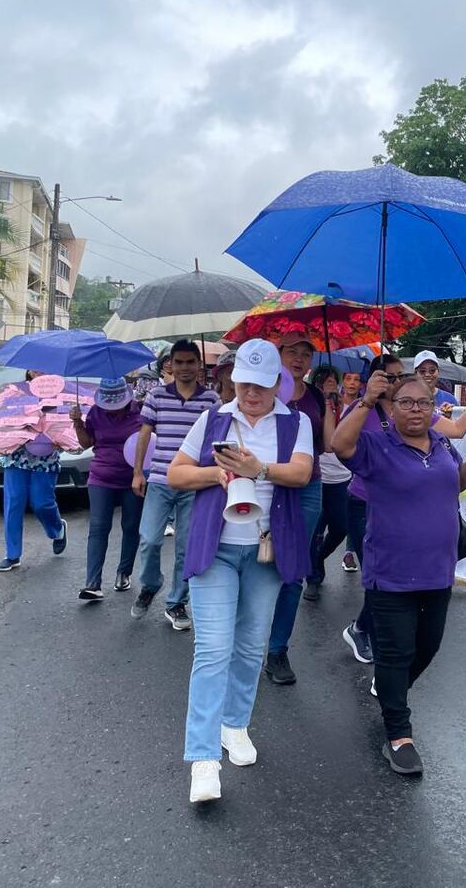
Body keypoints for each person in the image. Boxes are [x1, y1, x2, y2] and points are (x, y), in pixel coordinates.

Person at [167, 339, 314, 803]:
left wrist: (259, 468)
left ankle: (235, 726)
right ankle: (203, 759)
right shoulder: (214, 418)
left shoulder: (297, 421)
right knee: (213, 650)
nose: (251, 393)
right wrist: (217, 474)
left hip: (267, 550)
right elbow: (175, 473)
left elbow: (302, 474)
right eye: (243, 382)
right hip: (217, 549)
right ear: (233, 379)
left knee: (251, 648)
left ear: (277, 381)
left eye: (261, 383)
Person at [333, 371, 466, 775]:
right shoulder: (376, 446)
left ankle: (391, 692)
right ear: (392, 408)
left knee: (429, 646)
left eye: (423, 402)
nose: (415, 410)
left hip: (438, 571)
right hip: (390, 573)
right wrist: (367, 401)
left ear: (432, 406)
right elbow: (340, 445)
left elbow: (452, 485)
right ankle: (398, 734)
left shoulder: (442, 444)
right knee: (396, 651)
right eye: (405, 402)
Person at [339, 354, 466, 665]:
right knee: (382, 578)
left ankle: (372, 637)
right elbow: (339, 444)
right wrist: (367, 400)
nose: (397, 381)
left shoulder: (416, 408)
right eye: (390, 376)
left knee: (403, 587)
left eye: (401, 375)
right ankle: (384, 657)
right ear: (375, 378)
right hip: (367, 504)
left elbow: (456, 429)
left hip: (412, 504)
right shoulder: (364, 409)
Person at [130, 340, 219, 630]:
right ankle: (151, 583)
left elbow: (217, 442)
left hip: (194, 483)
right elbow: (144, 435)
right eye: (178, 362)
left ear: (199, 365)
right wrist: (137, 473)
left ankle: (177, 602)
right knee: (150, 539)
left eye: (189, 362)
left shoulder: (212, 401)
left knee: (185, 546)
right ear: (170, 365)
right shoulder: (156, 396)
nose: (183, 368)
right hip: (158, 479)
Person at [263, 334, 327, 685]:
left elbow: (329, 445)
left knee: (293, 569)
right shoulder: (264, 390)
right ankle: (241, 642)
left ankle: (277, 650)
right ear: (279, 354)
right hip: (264, 483)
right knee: (256, 561)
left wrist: (341, 405)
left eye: (306, 354)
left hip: (307, 486)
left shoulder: (316, 396)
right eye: (293, 352)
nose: (299, 359)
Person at [70, 378, 143, 600]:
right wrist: (78, 423)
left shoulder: (141, 412)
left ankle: (124, 572)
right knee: (99, 527)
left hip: (133, 477)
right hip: (101, 476)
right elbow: (86, 443)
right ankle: (93, 582)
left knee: (131, 526)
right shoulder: (95, 412)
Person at [0, 371, 69, 572]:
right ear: (29, 371)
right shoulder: (16, 392)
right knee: (14, 502)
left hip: (45, 458)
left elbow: (65, 426)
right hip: (17, 455)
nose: (39, 372)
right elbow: (0, 417)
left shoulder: (59, 394)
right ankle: (12, 555)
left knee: (41, 502)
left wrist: (58, 436)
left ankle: (57, 529)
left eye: (44, 368)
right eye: (35, 368)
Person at [304, 365, 348, 601]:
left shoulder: (345, 406)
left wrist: (337, 405)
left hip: (342, 478)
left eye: (334, 379)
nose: (330, 383)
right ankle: (312, 576)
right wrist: (326, 403)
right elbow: (325, 439)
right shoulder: (314, 405)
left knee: (341, 527)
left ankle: (318, 558)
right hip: (318, 475)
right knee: (315, 530)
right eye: (324, 380)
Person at [339, 370, 364, 573]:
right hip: (329, 470)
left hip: (354, 472)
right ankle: (315, 562)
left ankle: (350, 552)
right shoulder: (331, 402)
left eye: (357, 379)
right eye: (348, 379)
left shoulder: (366, 406)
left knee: (349, 520)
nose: (352, 383)